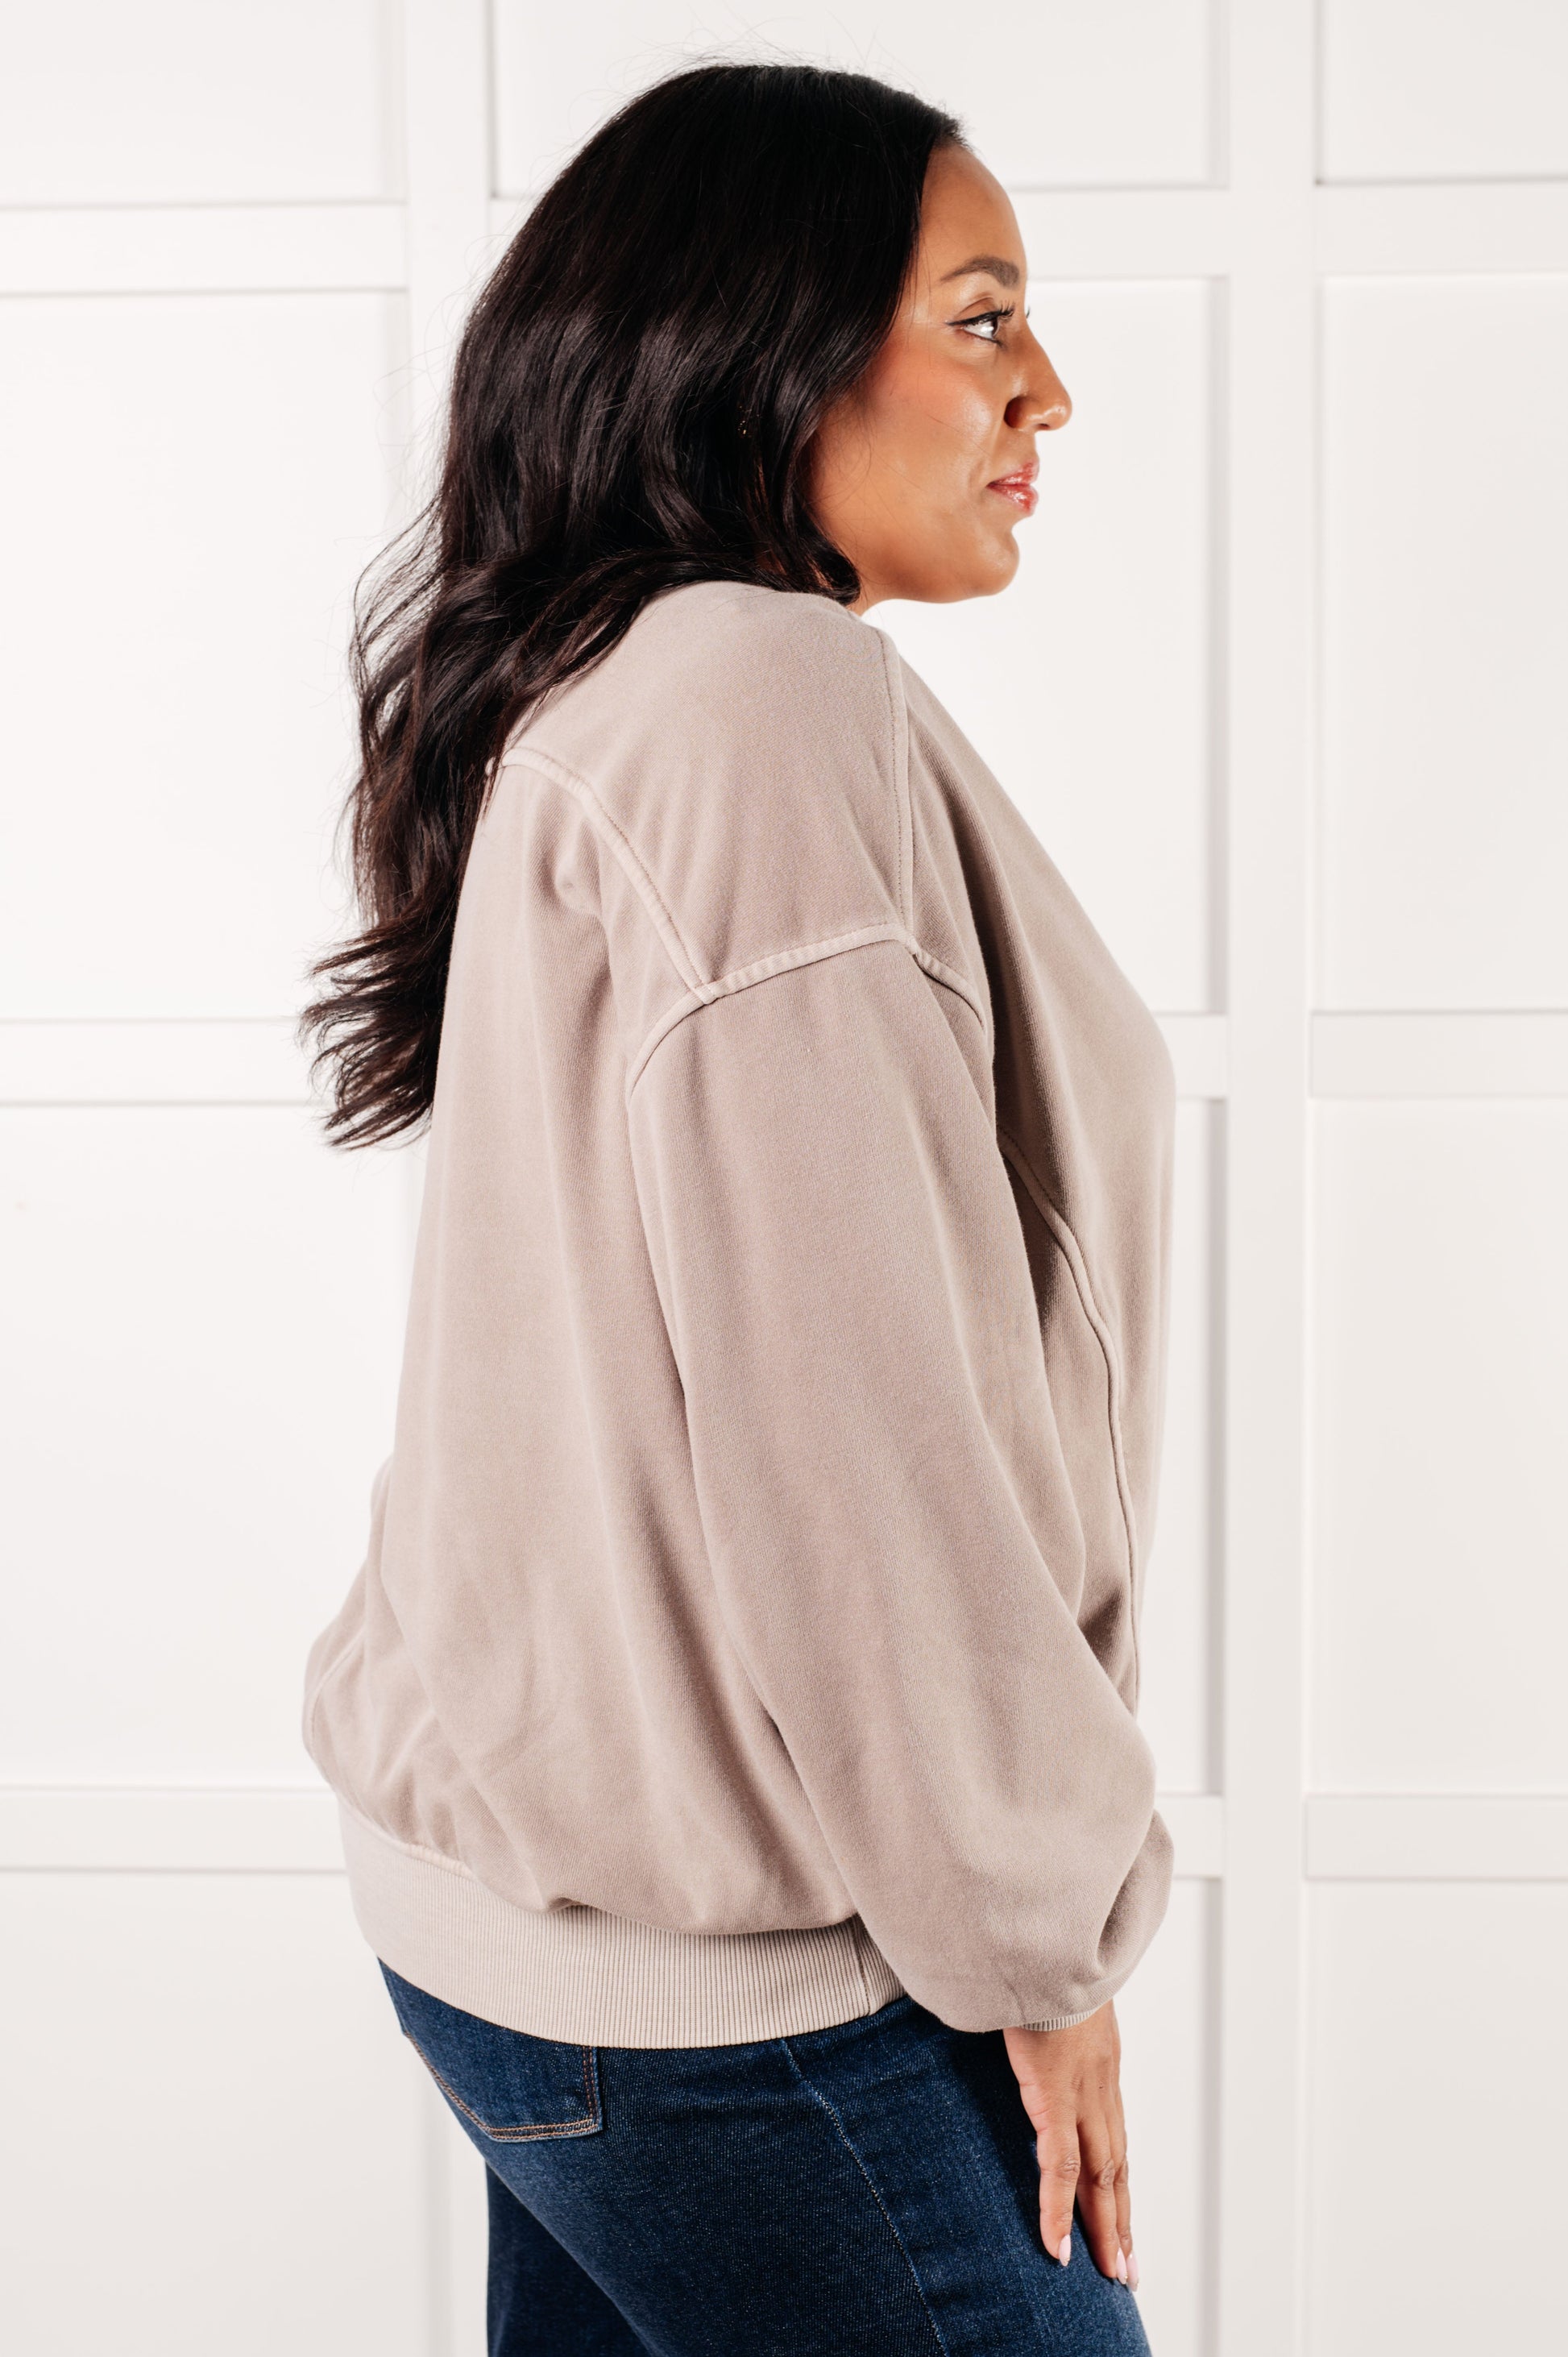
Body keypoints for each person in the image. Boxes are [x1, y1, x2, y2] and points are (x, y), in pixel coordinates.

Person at [300, 58, 1176, 2357]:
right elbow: (861, 1432)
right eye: (979, 317)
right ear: (765, 346)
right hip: (738, 2006)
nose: (1045, 388)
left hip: (524, 1919)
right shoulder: (765, 704)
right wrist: (1038, 1949)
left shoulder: (614, 678)